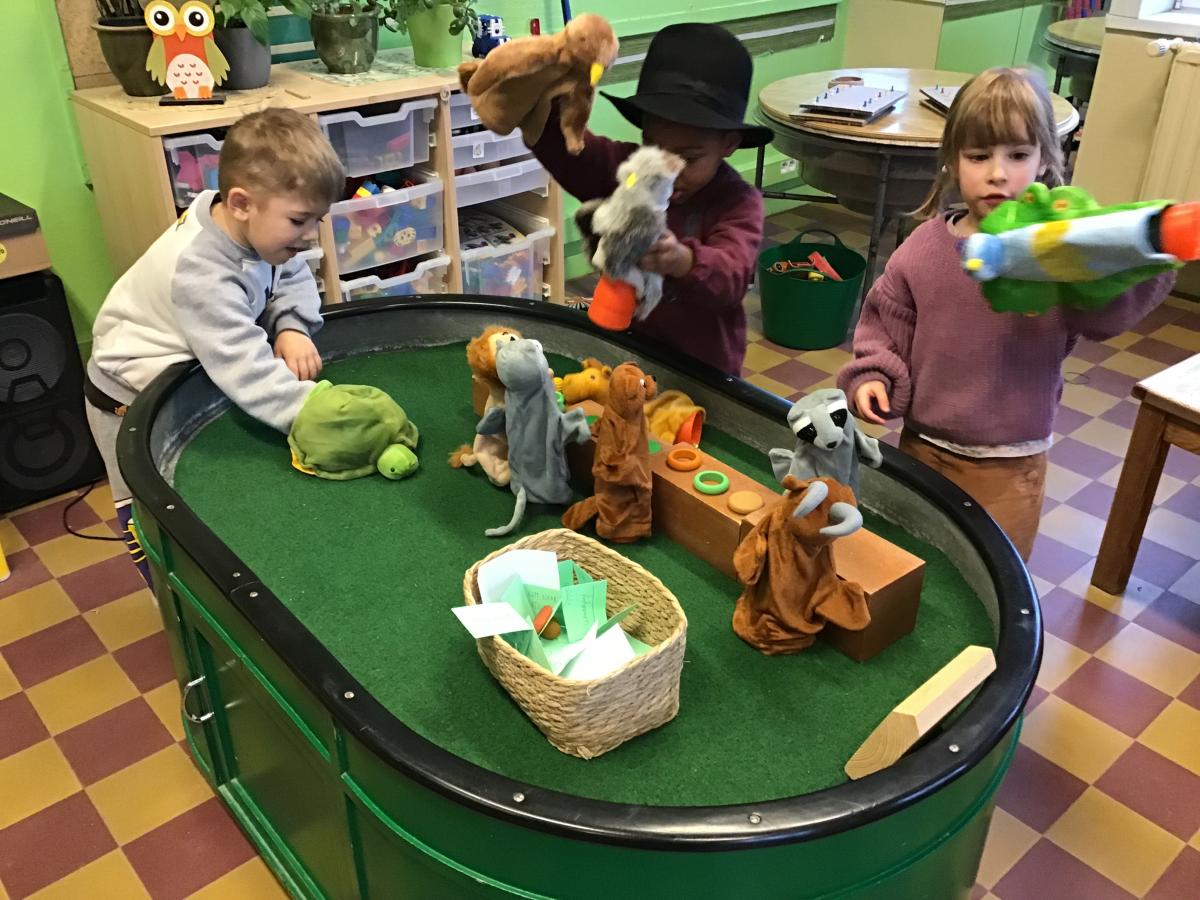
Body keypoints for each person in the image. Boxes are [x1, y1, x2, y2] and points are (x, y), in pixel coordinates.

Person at [837, 68, 1174, 561]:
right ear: (952, 160)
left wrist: (1141, 258)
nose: (998, 173)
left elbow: (1105, 317)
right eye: (979, 156)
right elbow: (885, 323)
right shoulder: (924, 248)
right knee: (913, 561)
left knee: (995, 576)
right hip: (923, 445)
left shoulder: (1056, 254)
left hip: (1011, 465)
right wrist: (873, 374)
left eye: (1017, 155)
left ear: (1044, 160)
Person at [85, 107, 345, 584]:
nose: (310, 236)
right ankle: (172, 600)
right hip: (128, 395)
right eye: (299, 220)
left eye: (317, 219)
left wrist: (291, 326)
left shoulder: (256, 228)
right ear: (241, 203)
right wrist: (311, 412)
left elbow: (289, 273)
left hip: (192, 367)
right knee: (152, 516)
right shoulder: (201, 272)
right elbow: (241, 363)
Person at [531, 22, 769, 376]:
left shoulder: (738, 202)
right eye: (654, 147)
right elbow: (575, 155)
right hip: (627, 351)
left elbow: (731, 275)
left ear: (729, 144)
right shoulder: (631, 169)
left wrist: (682, 260)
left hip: (701, 372)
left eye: (688, 158)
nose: (665, 170)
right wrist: (539, 109)